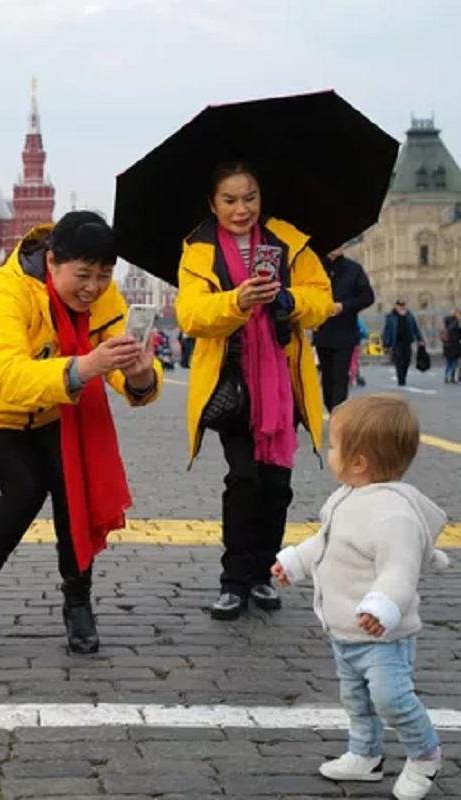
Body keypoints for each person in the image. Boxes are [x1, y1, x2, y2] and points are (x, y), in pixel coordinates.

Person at [0, 211, 162, 659]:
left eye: (104, 275)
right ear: (52, 261)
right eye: (83, 275)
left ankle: (78, 603)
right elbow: (8, 376)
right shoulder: (8, 292)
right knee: (23, 489)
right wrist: (87, 365)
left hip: (50, 405)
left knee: (71, 486)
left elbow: (115, 358)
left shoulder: (103, 295)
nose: (93, 288)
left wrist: (139, 375)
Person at [174, 161, 333, 621]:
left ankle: (264, 572)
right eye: (229, 200)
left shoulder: (289, 242)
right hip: (232, 383)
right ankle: (234, 581)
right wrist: (236, 301)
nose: (241, 209)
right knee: (244, 480)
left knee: (277, 486)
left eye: (250, 198)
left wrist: (288, 299)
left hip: (283, 386)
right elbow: (191, 315)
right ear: (213, 204)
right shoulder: (198, 251)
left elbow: (321, 300)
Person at [272, 394, 447, 800]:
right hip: (346, 632)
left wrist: (381, 606)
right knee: (356, 700)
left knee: (391, 698)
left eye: (334, 446)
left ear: (359, 462)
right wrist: (295, 562)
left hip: (381, 635)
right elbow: (326, 542)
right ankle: (365, 754)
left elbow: (399, 571)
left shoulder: (393, 514)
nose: (329, 453)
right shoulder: (347, 497)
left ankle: (425, 755)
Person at [312, 249, 374, 411]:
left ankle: (337, 413)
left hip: (345, 332)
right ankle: (331, 407)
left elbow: (368, 297)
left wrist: (344, 306)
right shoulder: (314, 266)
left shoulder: (354, 269)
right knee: (327, 377)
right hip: (322, 331)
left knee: (340, 376)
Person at [381, 300, 425, 388]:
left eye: (403, 305)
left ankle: (403, 376)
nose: (401, 307)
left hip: (407, 341)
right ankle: (401, 380)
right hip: (397, 342)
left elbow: (415, 328)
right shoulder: (391, 317)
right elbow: (387, 330)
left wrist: (420, 339)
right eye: (399, 306)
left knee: (407, 360)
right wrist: (385, 343)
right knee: (399, 361)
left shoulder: (409, 316)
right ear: (396, 306)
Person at [439, 309, 461, 385]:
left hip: (446, 345)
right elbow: (459, 332)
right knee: (454, 362)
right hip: (454, 345)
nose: (460, 315)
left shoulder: (446, 321)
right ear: (456, 314)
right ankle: (451, 376)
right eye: (459, 314)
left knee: (449, 362)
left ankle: (447, 376)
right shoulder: (456, 322)